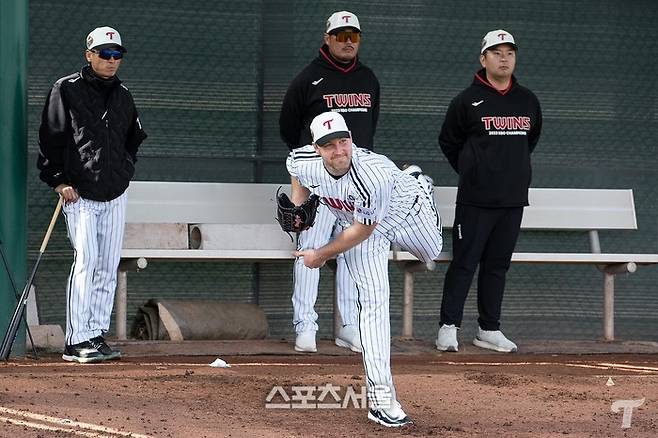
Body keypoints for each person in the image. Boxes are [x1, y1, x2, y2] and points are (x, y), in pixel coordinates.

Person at [288, 111, 442, 427]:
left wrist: (320, 254)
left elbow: (362, 231)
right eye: (329, 145)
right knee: (373, 304)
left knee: (431, 252)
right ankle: (381, 401)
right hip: (361, 224)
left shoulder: (370, 175)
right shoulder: (305, 161)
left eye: (343, 141)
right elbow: (294, 167)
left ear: (351, 140)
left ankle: (419, 181)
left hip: (406, 211)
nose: (339, 150)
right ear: (317, 148)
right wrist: (300, 203)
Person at [37, 26, 147, 363]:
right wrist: (58, 180)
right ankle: (76, 339)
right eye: (104, 53)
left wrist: (125, 171)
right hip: (79, 194)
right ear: (89, 55)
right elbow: (51, 138)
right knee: (86, 261)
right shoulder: (66, 89)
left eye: (116, 55)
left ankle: (95, 334)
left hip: (115, 193)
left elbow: (134, 139)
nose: (111, 60)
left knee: (107, 265)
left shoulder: (124, 95)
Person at [279, 10, 380, 353]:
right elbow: (289, 130)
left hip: (357, 184)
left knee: (355, 253)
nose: (347, 42)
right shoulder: (308, 80)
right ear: (327, 38)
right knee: (310, 249)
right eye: (341, 35)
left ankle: (348, 326)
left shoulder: (368, 79)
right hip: (320, 185)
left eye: (354, 36)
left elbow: (368, 130)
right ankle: (305, 326)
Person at [436, 29, 542, 353]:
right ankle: (447, 327)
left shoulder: (528, 100)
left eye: (510, 52)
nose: (504, 58)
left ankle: (488, 329)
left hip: (512, 200)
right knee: (464, 263)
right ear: (483, 59)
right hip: (475, 200)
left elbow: (530, 140)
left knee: (497, 265)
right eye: (497, 52)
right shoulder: (466, 101)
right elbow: (449, 141)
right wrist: (473, 170)